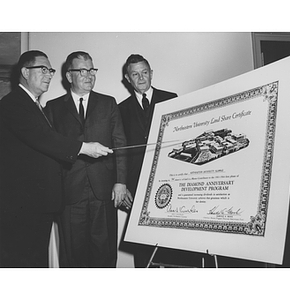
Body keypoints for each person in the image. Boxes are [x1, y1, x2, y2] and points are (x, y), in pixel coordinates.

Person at [0, 50, 112, 267]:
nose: (49, 75)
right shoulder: (13, 104)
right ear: (25, 72)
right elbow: (44, 138)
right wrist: (85, 148)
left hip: (37, 204)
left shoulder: (34, 105)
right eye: (43, 69)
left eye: (50, 70)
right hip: (24, 206)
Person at [45, 51, 132, 267]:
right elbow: (49, 151)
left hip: (103, 193)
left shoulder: (108, 103)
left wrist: (121, 182)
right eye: (82, 71)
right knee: (73, 257)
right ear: (69, 76)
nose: (89, 75)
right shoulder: (53, 108)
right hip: (70, 193)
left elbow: (120, 144)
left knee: (104, 254)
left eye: (92, 70)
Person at [118, 54, 178, 267]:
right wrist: (122, 185)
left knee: (172, 247)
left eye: (145, 72)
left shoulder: (172, 99)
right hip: (136, 186)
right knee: (143, 250)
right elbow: (120, 151)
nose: (141, 77)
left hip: (171, 182)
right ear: (128, 78)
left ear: (151, 74)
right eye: (135, 74)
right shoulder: (120, 109)